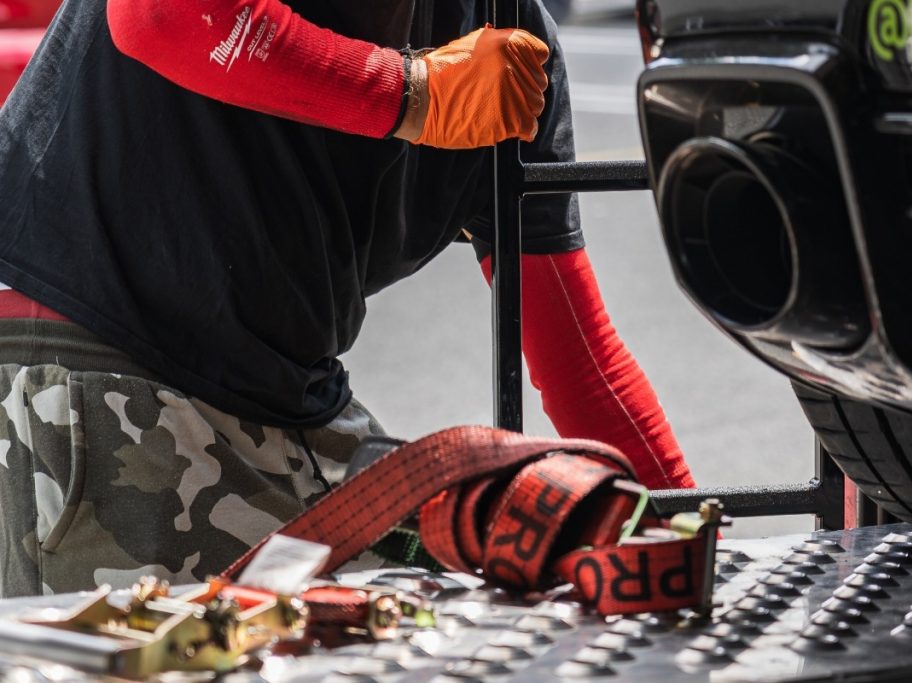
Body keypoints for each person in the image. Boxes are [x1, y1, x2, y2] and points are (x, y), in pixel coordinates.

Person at [0, 0, 694, 598]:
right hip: (86, 350)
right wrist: (412, 94)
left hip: (274, 394)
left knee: (441, 601)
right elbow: (159, 15)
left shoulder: (509, 48)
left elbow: (579, 363)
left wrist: (686, 543)